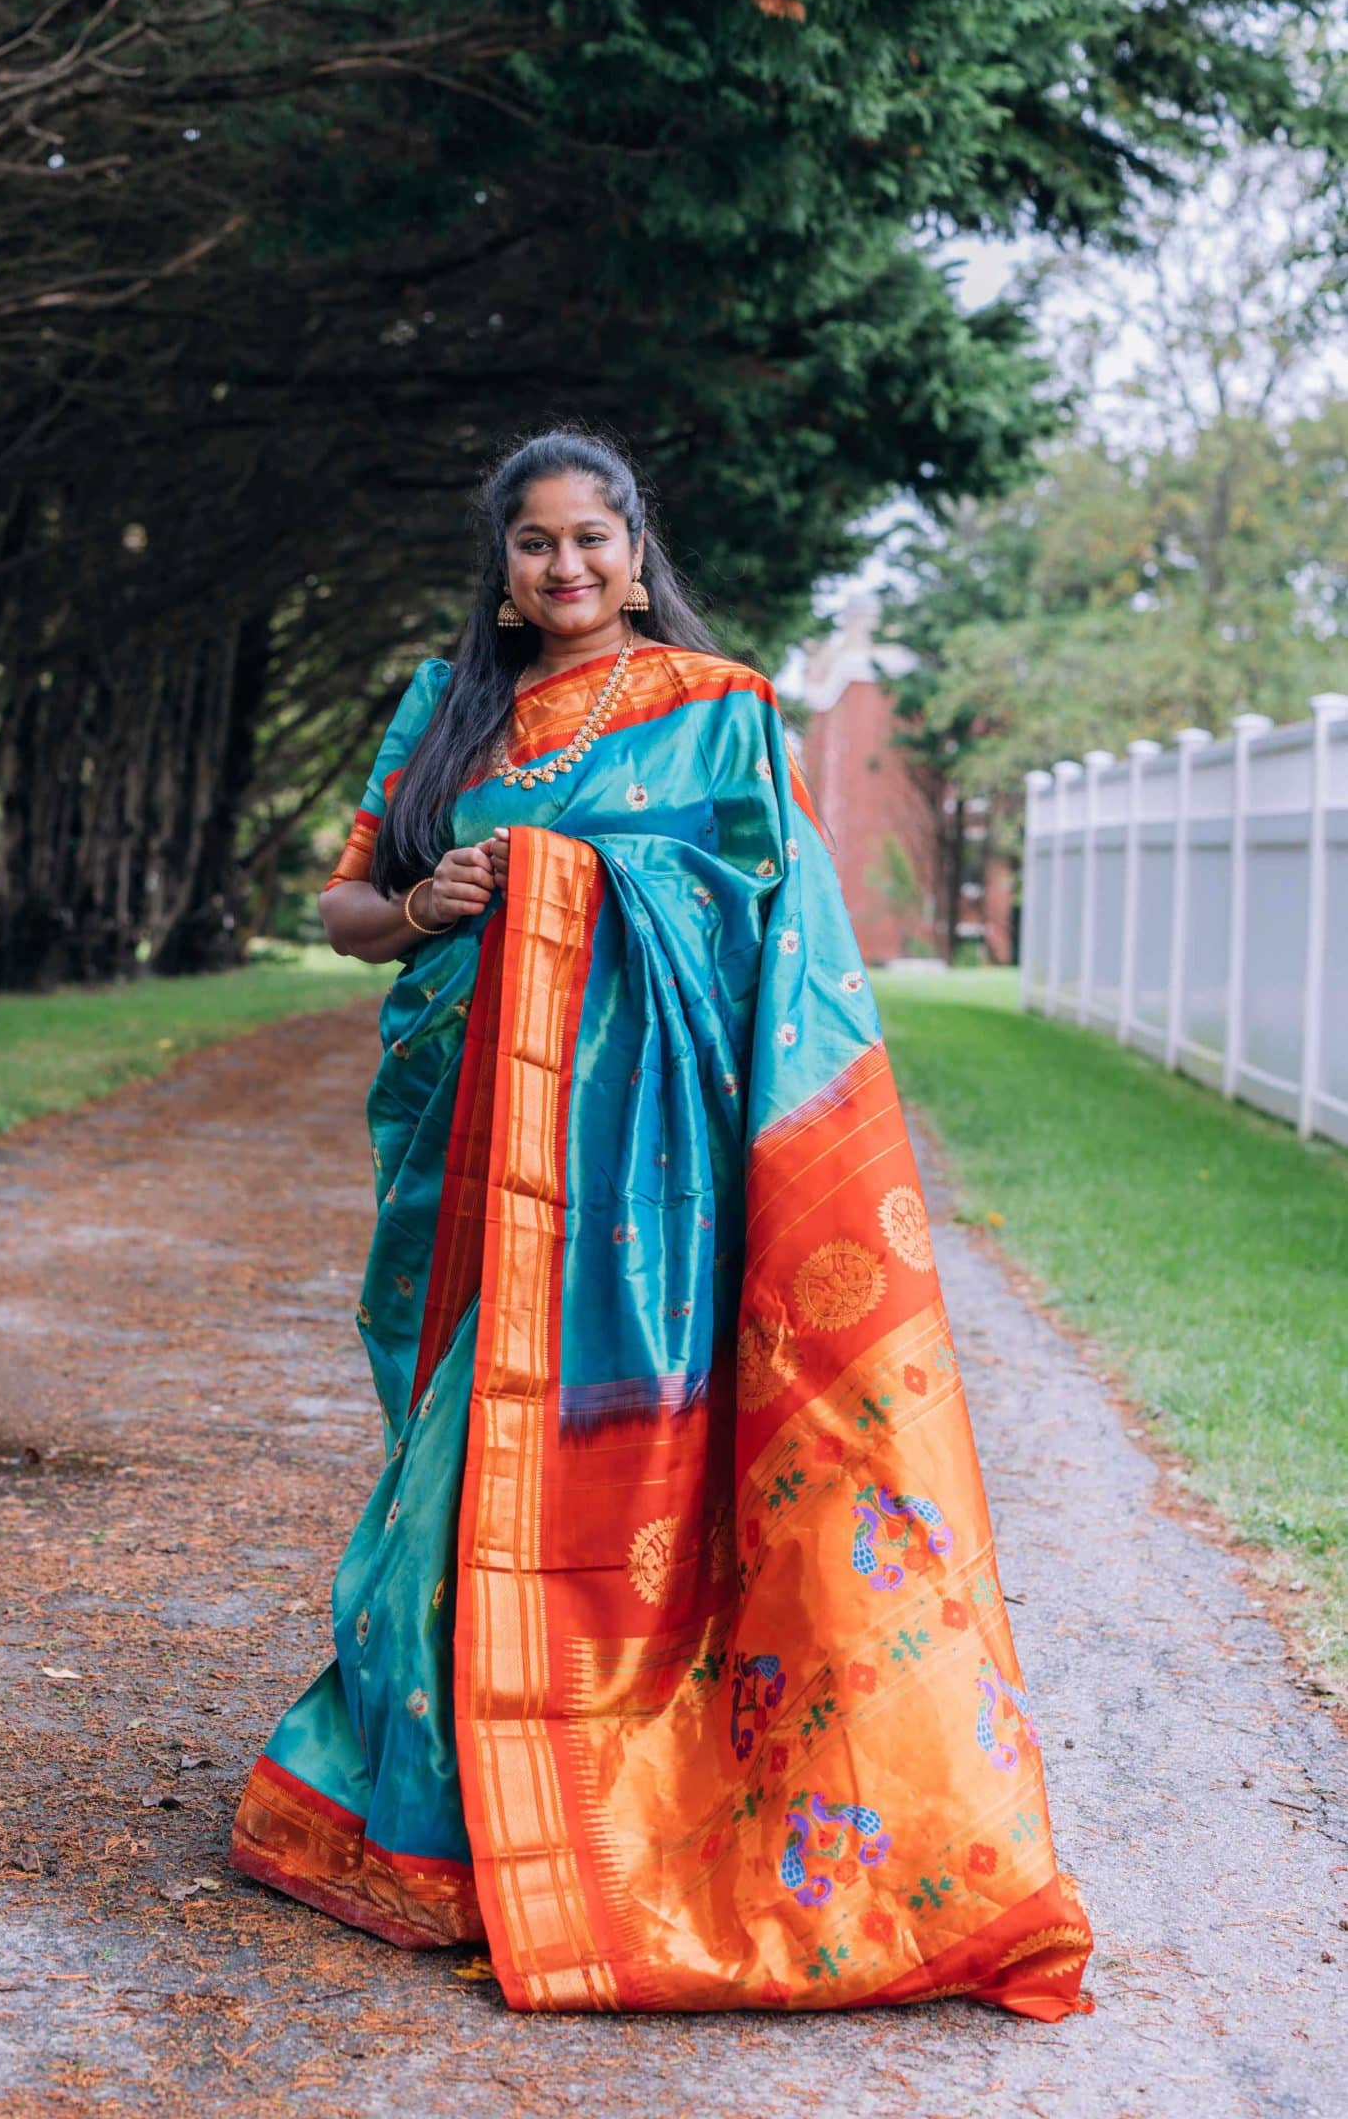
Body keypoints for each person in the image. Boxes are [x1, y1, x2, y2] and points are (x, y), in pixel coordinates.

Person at [231, 429, 1092, 2020]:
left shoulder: (721, 716)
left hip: (642, 1185)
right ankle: (432, 1817)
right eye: (536, 544)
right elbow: (351, 908)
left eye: (593, 540)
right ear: (501, 566)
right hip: (466, 1149)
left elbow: (786, 945)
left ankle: (582, 1801)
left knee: (566, 1461)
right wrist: (433, 908)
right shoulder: (444, 712)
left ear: (639, 552)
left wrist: (583, 884)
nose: (567, 568)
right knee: (450, 1456)